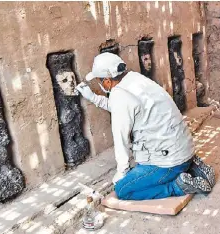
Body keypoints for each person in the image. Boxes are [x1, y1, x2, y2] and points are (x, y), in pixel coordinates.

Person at [76, 52, 211, 200]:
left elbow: (121, 139)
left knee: (123, 190)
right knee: (147, 170)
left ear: (107, 81)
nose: (100, 84)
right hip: (183, 149)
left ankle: (177, 186)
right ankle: (192, 167)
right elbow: (125, 108)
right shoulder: (135, 79)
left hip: (168, 162)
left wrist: (122, 173)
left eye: (99, 81)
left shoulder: (120, 95)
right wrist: (94, 98)